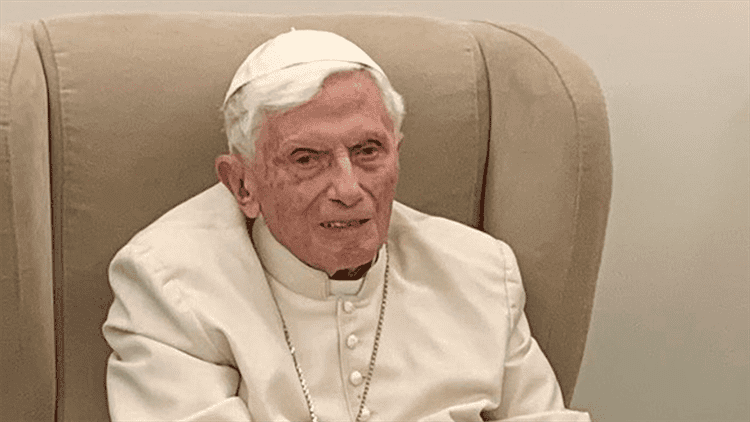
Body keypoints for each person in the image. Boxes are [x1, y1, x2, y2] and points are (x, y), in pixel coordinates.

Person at [102, 29, 591, 422]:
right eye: (306, 158)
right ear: (242, 184)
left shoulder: (481, 273)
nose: (349, 188)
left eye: (367, 151)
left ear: (397, 153)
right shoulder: (169, 284)